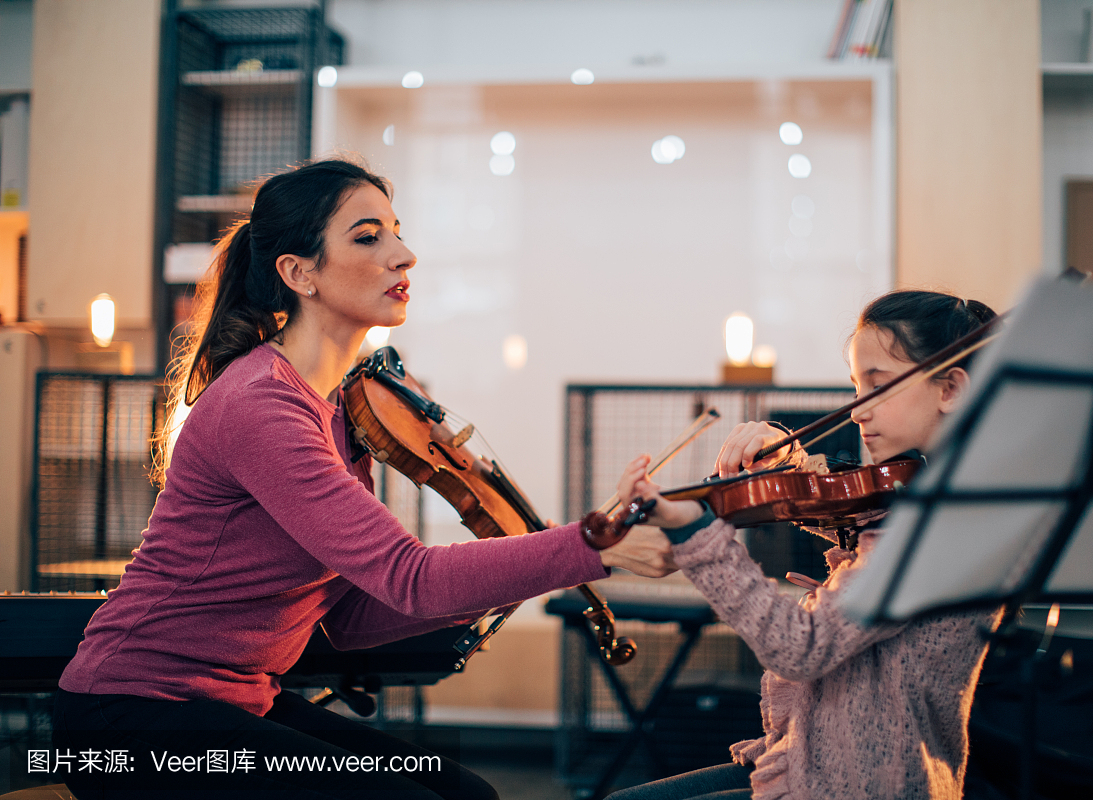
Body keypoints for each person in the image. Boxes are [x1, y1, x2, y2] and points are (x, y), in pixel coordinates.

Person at [52, 158, 676, 800]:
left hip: (231, 705)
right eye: (368, 236)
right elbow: (409, 577)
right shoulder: (262, 405)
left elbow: (347, 619)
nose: (403, 255)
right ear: (298, 273)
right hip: (126, 724)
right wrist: (589, 549)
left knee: (467, 795)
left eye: (398, 232)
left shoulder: (343, 413)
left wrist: (504, 580)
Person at [612, 291, 1003, 800]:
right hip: (817, 763)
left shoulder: (939, 527)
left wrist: (697, 534)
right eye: (856, 387)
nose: (858, 411)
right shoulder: (926, 499)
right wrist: (791, 467)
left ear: (950, 387)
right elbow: (854, 514)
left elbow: (801, 646)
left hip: (863, 786)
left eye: (879, 387)